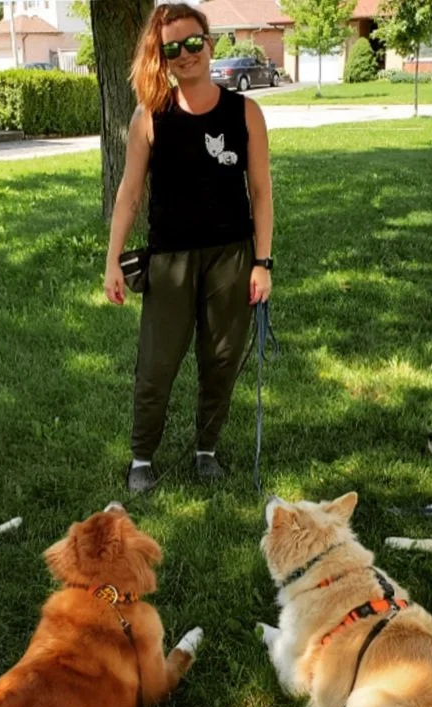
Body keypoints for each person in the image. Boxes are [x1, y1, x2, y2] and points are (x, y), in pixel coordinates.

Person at [103, 2, 274, 493]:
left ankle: (206, 449)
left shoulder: (245, 113)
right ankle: (141, 458)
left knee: (220, 359)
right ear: (162, 56)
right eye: (172, 47)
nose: (185, 54)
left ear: (210, 43)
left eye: (193, 42)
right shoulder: (149, 117)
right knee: (156, 364)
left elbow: (260, 192)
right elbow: (129, 195)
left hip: (232, 255)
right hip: (170, 261)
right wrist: (113, 260)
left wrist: (261, 263)